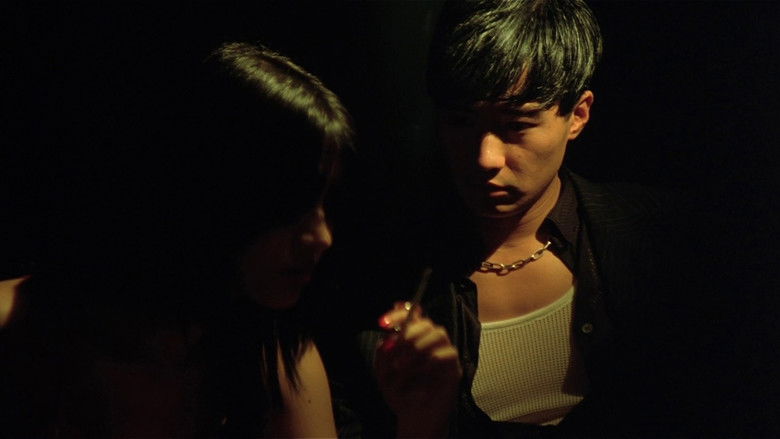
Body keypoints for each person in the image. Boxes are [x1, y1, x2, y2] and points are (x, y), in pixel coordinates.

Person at [321, 0, 716, 437]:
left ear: (578, 115)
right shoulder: (377, 274)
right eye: (461, 121)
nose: (485, 157)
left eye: (517, 125)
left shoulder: (664, 237)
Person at [2, 42, 348, 438]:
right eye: (294, 204)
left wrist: (408, 413)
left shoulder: (273, 355)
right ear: (209, 186)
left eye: (324, 203)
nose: (322, 238)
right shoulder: (23, 332)